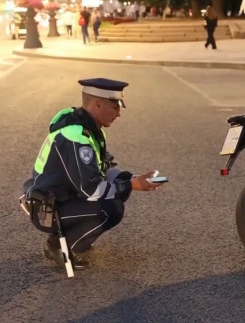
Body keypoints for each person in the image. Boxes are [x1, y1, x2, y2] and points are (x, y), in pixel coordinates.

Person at [22, 78, 164, 270]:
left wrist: (131, 179)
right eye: (115, 107)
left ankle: (74, 238)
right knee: (111, 209)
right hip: (47, 209)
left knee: (120, 184)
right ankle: (57, 246)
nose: (119, 114)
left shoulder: (90, 129)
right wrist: (133, 185)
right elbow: (91, 189)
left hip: (63, 198)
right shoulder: (75, 136)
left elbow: (105, 167)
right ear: (97, 104)